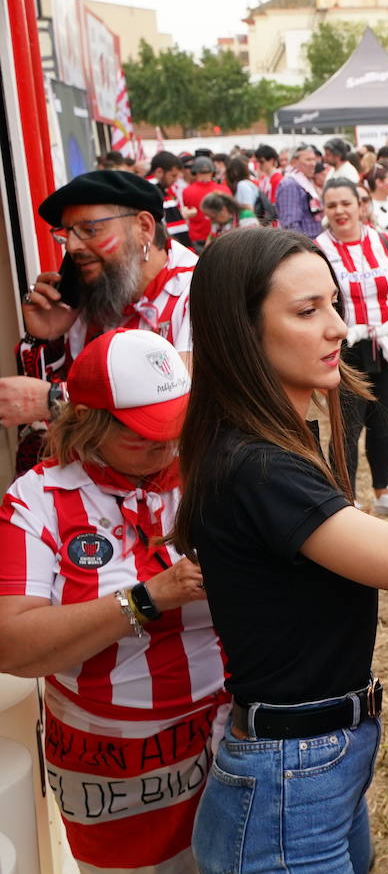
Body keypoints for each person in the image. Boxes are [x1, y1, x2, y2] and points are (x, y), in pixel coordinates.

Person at [176, 227, 388, 872]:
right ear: (241, 331)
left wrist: (377, 531)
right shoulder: (259, 463)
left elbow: (304, 557)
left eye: (335, 305)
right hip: (289, 776)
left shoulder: (271, 443)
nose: (337, 329)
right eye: (306, 311)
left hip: (314, 763)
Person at [0, 329, 223, 874]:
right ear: (88, 424)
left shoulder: (209, 472)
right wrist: (146, 599)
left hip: (224, 741)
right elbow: (12, 646)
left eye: (175, 431)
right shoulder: (37, 500)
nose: (167, 449)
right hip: (114, 768)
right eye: (143, 439)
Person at [3, 172, 198, 445]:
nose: (72, 246)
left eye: (89, 230)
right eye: (67, 233)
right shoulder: (96, 293)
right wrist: (47, 337)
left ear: (144, 228)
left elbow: (179, 392)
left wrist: (57, 398)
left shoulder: (198, 290)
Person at [315, 178, 388, 515]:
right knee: (346, 427)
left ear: (360, 205)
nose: (339, 211)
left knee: (383, 420)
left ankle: (383, 490)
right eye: (331, 205)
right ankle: (345, 498)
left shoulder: (384, 241)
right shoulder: (317, 248)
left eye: (345, 203)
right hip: (346, 347)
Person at [180, 157, 230, 250]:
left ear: (194, 172)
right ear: (212, 171)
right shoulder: (224, 189)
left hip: (196, 237)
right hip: (220, 236)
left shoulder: (187, 191)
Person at [277, 144, 324, 237]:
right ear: (294, 162)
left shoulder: (306, 181)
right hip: (305, 245)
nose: (313, 163)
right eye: (308, 160)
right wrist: (302, 248)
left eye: (314, 159)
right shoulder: (290, 185)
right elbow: (290, 225)